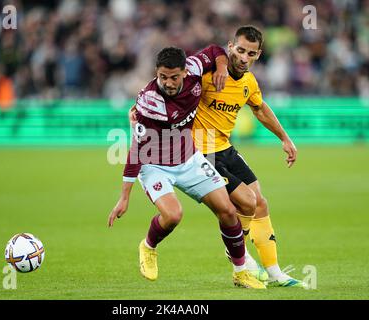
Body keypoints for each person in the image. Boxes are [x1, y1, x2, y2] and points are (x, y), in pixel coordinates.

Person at [108, 45, 266, 289]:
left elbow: (215, 51)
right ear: (156, 73)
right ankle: (148, 246)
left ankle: (240, 273)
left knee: (228, 211)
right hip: (155, 164)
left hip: (189, 159)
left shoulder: (194, 69)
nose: (168, 83)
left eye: (173, 77)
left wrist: (222, 67)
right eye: (162, 77)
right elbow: (136, 151)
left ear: (184, 72)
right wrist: (124, 197)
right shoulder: (149, 102)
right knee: (173, 215)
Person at [192, 25, 306, 287]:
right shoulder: (207, 76)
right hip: (201, 152)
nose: (244, 57)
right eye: (240, 50)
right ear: (230, 47)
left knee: (260, 203)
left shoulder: (249, 82)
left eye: (251, 53)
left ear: (258, 54)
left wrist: (285, 139)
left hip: (225, 148)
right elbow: (177, 84)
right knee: (246, 202)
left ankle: (275, 272)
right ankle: (237, 253)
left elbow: (260, 109)